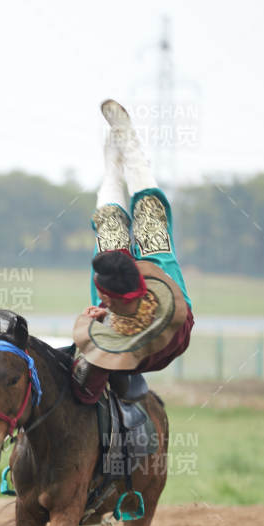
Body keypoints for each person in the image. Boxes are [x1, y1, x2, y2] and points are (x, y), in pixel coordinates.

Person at [70, 100, 196, 404]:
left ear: (107, 299)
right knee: (151, 216)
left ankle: (116, 163)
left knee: (109, 228)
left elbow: (84, 392)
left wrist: (90, 325)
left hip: (153, 324)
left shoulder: (112, 333)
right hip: (156, 306)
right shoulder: (162, 291)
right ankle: (126, 155)